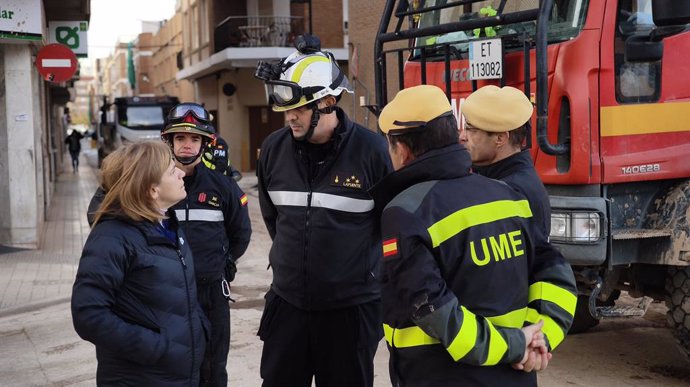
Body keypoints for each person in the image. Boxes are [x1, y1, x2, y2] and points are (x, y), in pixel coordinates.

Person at [369, 85, 557, 387]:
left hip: (442, 375)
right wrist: (539, 338)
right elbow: (556, 276)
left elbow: (434, 310)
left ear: (402, 150)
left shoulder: (405, 212)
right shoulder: (507, 195)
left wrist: (518, 345)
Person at [254, 34, 393, 387]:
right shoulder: (273, 149)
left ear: (328, 102)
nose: (290, 118)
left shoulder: (372, 152)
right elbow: (274, 219)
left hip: (350, 311)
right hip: (287, 306)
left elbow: (390, 226)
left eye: (299, 109)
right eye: (286, 110)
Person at [71, 140, 208, 386]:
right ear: (152, 189)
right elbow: (88, 314)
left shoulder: (168, 226)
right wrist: (152, 346)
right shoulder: (112, 237)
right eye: (170, 169)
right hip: (140, 377)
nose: (180, 171)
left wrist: (199, 328)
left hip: (178, 375)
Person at [460, 85, 577, 350]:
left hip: (505, 330)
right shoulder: (496, 177)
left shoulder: (514, 190)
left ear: (500, 139)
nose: (464, 136)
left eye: (472, 130)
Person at [161, 102, 252, 387]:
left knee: (212, 368)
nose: (187, 145)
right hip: (165, 294)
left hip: (211, 292)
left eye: (194, 139)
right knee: (170, 366)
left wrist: (223, 265)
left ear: (204, 143)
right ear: (169, 141)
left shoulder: (223, 187)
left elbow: (241, 234)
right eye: (180, 138)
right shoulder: (153, 183)